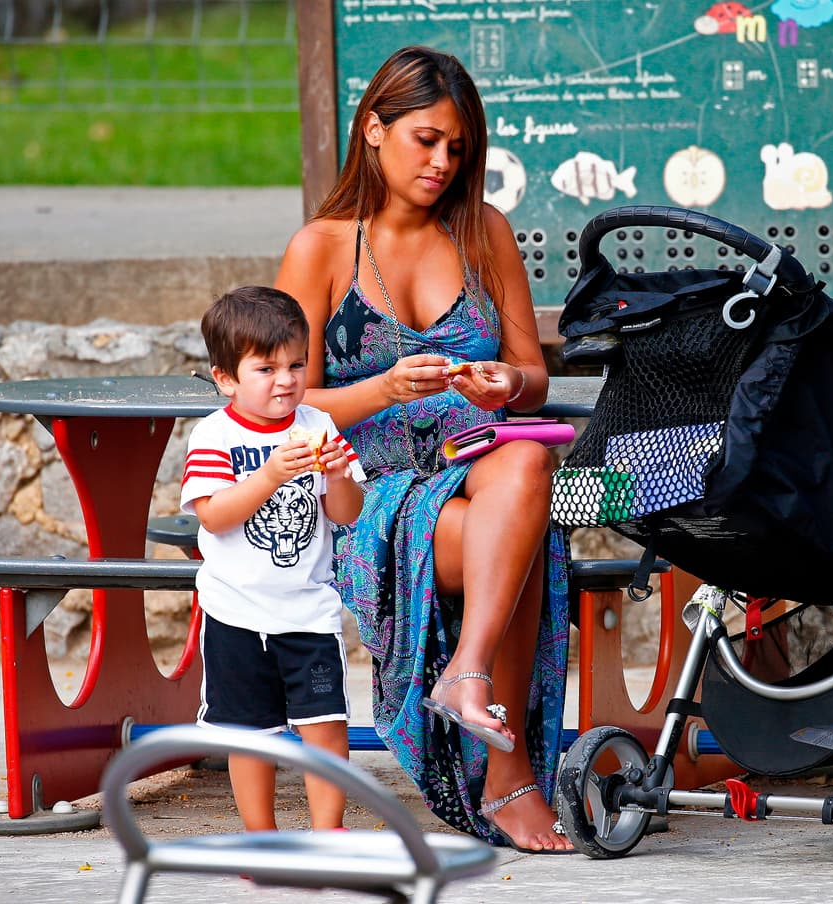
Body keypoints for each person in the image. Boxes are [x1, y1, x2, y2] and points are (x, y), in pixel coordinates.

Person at [273, 46, 574, 853]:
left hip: (480, 470)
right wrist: (384, 389)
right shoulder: (323, 248)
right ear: (374, 129)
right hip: (369, 493)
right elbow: (283, 400)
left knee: (524, 463)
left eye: (457, 149)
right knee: (516, 534)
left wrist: (500, 380)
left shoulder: (483, 234)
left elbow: (535, 380)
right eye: (426, 140)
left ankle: (465, 670)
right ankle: (507, 777)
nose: (443, 163)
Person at [181, 285, 367, 832]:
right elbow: (214, 516)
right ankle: (261, 838)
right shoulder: (214, 435)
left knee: (326, 726)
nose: (285, 380)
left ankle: (328, 834)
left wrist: (335, 474)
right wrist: (268, 476)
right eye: (266, 368)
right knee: (249, 736)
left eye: (297, 364)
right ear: (226, 378)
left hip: (307, 610)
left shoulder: (319, 426)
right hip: (235, 614)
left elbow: (349, 512)